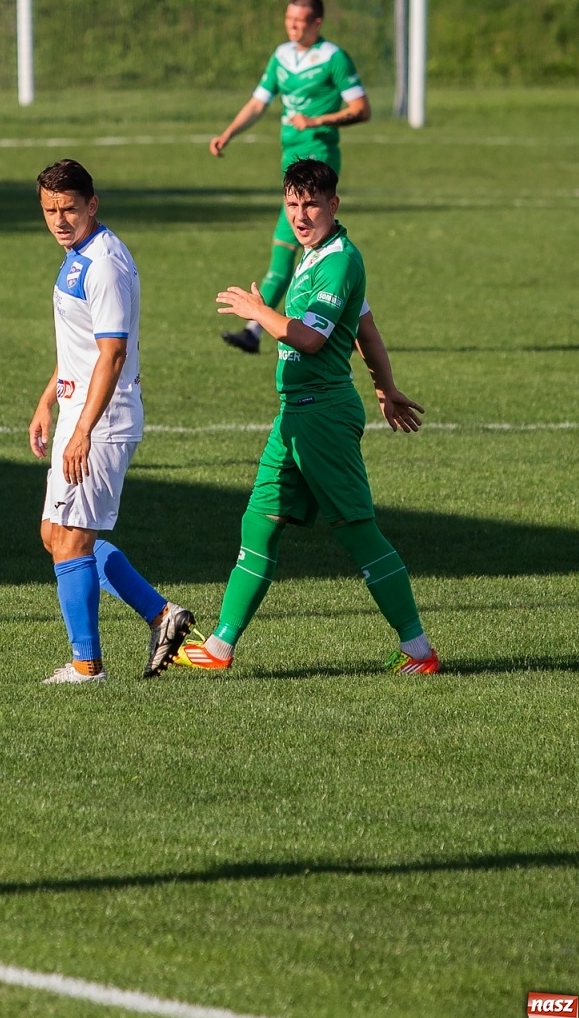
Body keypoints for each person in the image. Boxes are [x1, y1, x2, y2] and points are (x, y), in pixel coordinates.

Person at [176, 159, 439, 674]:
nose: (300, 214)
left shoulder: (340, 260)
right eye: (292, 203)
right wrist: (385, 388)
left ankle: (419, 651)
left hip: (322, 417)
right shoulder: (315, 254)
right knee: (260, 521)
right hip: (293, 416)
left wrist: (260, 313)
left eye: (311, 203)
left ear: (333, 205)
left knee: (358, 532)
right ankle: (219, 647)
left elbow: (311, 338)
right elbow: (367, 330)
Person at [28, 160, 195, 685]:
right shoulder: (75, 254)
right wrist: (48, 398)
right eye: (50, 210)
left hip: (100, 421)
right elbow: (80, 344)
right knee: (54, 534)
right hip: (77, 409)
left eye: (69, 209)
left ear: (92, 206)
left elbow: (112, 354)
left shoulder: (103, 264)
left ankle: (87, 667)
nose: (59, 220)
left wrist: (81, 431)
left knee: (73, 542)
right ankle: (161, 615)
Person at [208, 0, 369, 354]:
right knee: (289, 247)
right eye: (288, 19)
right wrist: (228, 134)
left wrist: (318, 120)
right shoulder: (281, 56)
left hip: (319, 163)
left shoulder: (333, 58)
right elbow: (258, 102)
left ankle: (260, 325)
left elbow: (361, 108)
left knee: (290, 243)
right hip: (289, 163)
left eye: (300, 21)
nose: (292, 26)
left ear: (317, 23)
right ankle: (270, 326)